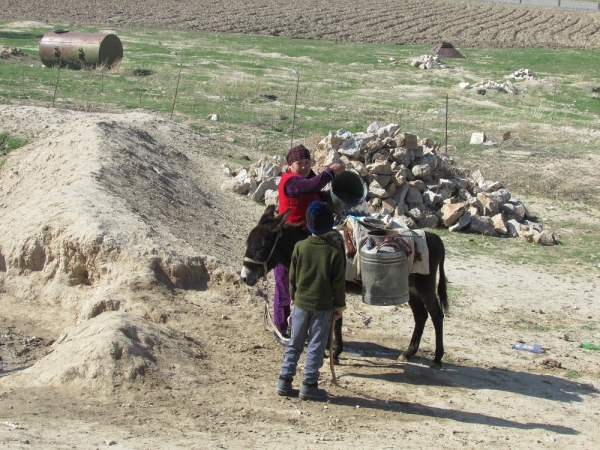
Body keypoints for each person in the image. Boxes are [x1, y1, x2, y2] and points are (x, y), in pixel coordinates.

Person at [271, 145, 344, 345]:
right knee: (285, 285)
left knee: (302, 286)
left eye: (306, 163)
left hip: (305, 241)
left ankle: (299, 328)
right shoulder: (291, 183)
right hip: (287, 243)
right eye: (299, 164)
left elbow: (318, 192)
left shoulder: (306, 178)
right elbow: (312, 186)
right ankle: (281, 328)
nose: (303, 168)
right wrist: (330, 172)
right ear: (289, 165)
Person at [275, 201, 346, 400]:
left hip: (299, 305)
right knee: (316, 345)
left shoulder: (299, 247)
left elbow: (293, 278)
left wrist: (293, 299)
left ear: (308, 223)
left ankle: (284, 380)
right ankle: (309, 385)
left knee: (295, 343)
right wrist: (339, 307)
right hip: (322, 308)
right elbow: (338, 284)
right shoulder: (334, 252)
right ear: (330, 225)